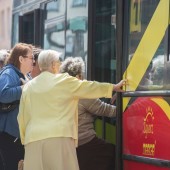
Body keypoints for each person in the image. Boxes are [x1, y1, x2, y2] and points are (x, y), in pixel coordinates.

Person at [17, 49, 126, 170]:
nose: (59, 65)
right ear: (53, 65)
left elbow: (22, 117)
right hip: (59, 138)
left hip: (33, 141)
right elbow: (88, 87)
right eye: (58, 62)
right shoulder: (63, 81)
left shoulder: (28, 87)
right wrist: (113, 87)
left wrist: (25, 140)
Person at [60, 57, 117, 170]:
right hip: (84, 142)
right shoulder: (82, 91)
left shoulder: (60, 90)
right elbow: (106, 110)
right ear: (79, 75)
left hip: (66, 144)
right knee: (114, 152)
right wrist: (127, 105)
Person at [0, 43, 34, 170]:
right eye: (31, 58)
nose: (34, 61)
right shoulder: (9, 73)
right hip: (9, 136)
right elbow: (3, 94)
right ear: (21, 59)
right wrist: (24, 88)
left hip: (19, 136)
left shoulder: (27, 76)